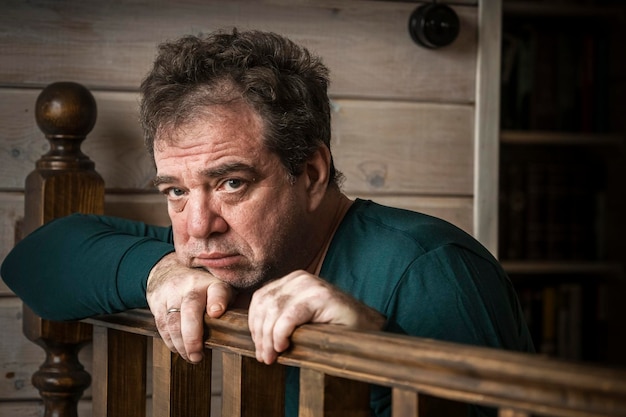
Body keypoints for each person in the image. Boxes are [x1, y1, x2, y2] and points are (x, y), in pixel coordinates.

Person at [2, 29, 534, 416]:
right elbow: (33, 261)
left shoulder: (431, 270)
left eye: (232, 182)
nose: (198, 224)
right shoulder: (220, 250)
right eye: (176, 191)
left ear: (310, 173)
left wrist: (376, 352)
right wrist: (159, 271)